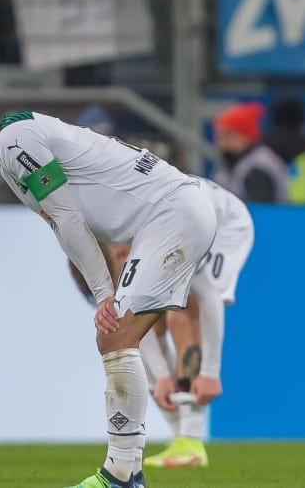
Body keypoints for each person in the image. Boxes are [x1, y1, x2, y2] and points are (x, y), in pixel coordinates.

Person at [0, 89, 217, 488]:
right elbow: (66, 225)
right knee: (116, 336)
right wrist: (106, 289)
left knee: (115, 336)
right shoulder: (14, 151)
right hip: (167, 216)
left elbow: (68, 218)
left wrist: (104, 295)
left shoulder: (15, 141)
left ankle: (123, 474)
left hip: (172, 213)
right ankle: (125, 472)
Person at [69, 177, 255, 469]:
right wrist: (161, 376)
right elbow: (136, 322)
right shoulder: (112, 230)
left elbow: (210, 297)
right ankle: (178, 434)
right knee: (147, 319)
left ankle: (191, 440)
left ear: (121, 253)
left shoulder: (157, 232)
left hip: (225, 225)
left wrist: (210, 372)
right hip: (181, 213)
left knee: (183, 309)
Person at [211, 101, 289, 204]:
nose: (220, 142)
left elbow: (260, 211)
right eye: (219, 135)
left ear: (245, 135)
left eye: (228, 135)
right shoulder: (227, 163)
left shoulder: (259, 166)